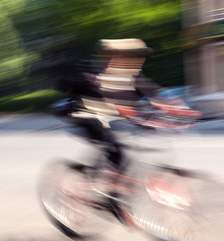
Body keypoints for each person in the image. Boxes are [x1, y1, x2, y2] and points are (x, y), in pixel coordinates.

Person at [64, 38, 162, 176]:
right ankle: (109, 195)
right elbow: (98, 99)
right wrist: (126, 110)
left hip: (113, 120)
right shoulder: (90, 76)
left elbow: (154, 93)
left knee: (126, 152)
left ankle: (105, 176)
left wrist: (181, 110)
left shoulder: (132, 76)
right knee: (117, 154)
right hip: (89, 118)